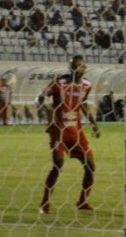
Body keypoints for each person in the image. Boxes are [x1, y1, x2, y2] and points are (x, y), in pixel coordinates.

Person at [38, 55, 100, 214]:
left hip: (76, 132)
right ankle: (45, 204)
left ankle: (82, 202)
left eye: (80, 66)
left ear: (84, 68)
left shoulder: (87, 85)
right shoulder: (59, 83)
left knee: (90, 166)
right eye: (75, 66)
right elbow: (41, 97)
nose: (78, 69)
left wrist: (94, 125)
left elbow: (83, 104)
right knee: (58, 166)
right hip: (59, 131)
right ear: (70, 67)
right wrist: (48, 112)